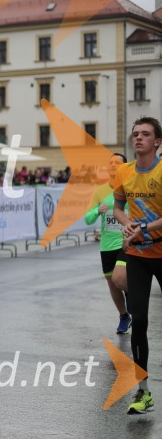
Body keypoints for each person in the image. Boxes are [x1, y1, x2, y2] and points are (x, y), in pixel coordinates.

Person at [113, 117, 162, 415]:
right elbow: (118, 207)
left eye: (145, 134)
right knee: (140, 321)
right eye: (135, 134)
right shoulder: (124, 171)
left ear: (157, 141)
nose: (138, 138)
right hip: (138, 255)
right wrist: (127, 224)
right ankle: (143, 392)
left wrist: (144, 228)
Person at [84, 153, 131, 333]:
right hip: (107, 244)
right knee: (113, 284)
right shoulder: (100, 191)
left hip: (126, 241)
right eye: (110, 162)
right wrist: (98, 210)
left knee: (119, 277)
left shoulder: (130, 187)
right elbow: (88, 219)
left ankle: (132, 296)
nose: (112, 165)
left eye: (117, 162)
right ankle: (124, 316)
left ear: (124, 167)